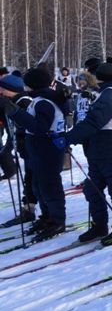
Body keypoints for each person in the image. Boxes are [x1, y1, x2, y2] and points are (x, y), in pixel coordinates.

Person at [54, 60, 112, 245]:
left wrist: (69, 138)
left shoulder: (111, 93)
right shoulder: (109, 91)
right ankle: (99, 225)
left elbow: (94, 121)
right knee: (93, 189)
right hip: (101, 149)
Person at [0, 68, 69, 242]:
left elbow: (40, 127)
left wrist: (15, 112)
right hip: (38, 147)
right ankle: (47, 217)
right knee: (38, 185)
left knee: (49, 185)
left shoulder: (44, 101)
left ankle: (57, 220)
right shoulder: (40, 99)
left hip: (47, 147)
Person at [0, 75, 35, 227]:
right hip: (21, 145)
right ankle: (28, 210)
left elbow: (30, 123)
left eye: (2, 88)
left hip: (32, 146)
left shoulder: (24, 101)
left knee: (34, 179)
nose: (0, 91)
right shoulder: (11, 101)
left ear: (11, 90)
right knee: (29, 178)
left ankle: (44, 215)